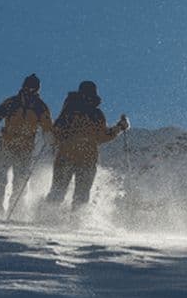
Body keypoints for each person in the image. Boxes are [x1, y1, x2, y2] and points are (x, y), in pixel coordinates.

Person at [46, 81, 129, 209]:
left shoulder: (71, 110)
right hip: (84, 159)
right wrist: (120, 127)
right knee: (79, 196)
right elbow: (103, 136)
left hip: (69, 157)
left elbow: (58, 131)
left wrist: (52, 138)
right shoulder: (93, 113)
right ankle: (74, 223)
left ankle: (47, 218)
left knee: (60, 193)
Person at [0, 74, 53, 214]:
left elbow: (47, 125)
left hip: (24, 148)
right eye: (28, 86)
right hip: (8, 145)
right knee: (0, 178)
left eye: (33, 87)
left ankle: (15, 211)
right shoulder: (13, 102)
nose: (30, 89)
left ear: (37, 89)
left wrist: (48, 135)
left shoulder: (40, 107)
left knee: (20, 181)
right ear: (24, 86)